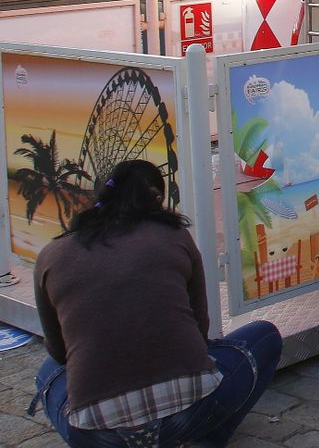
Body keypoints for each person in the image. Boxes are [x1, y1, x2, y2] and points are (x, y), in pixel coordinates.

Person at [32, 160, 283, 447]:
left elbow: (58, 350)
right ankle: (205, 440)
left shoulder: (51, 254)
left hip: (98, 435)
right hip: (191, 410)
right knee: (264, 336)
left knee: (47, 372)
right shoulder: (174, 235)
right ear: (157, 198)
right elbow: (200, 329)